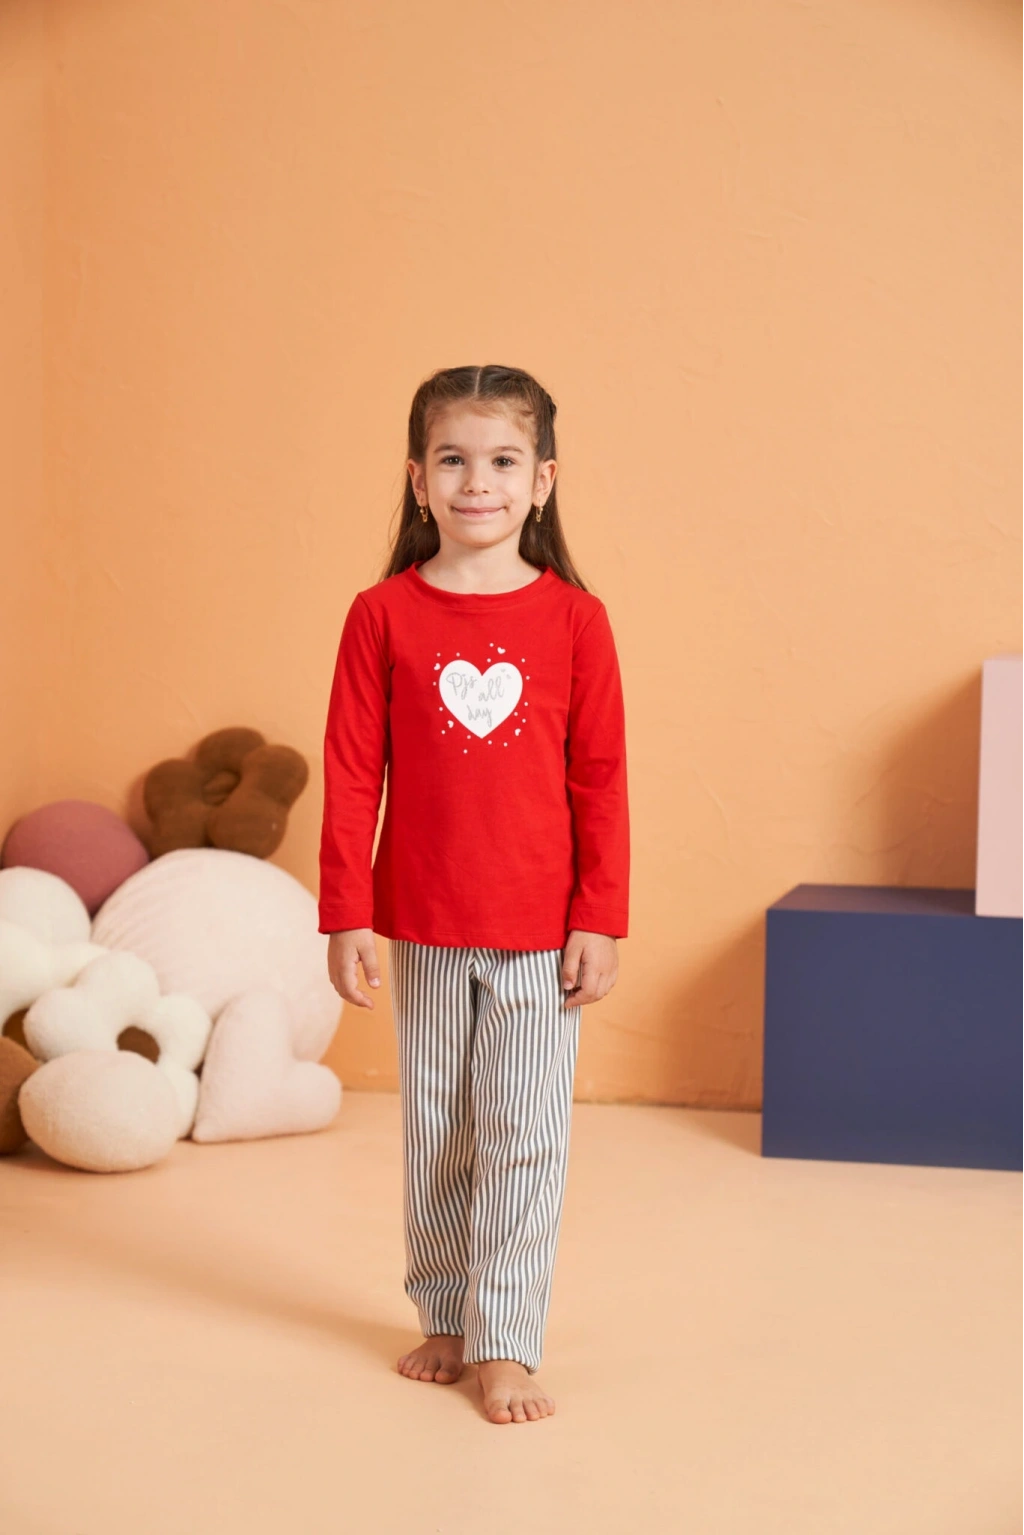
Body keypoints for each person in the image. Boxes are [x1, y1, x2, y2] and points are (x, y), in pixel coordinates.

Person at [318, 363, 629, 1425]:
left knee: (525, 1129)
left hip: (543, 931)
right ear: (418, 479)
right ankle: (445, 1312)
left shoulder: (577, 621)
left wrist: (599, 916)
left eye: (502, 460)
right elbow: (351, 771)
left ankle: (505, 1336)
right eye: (452, 459)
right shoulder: (380, 615)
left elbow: (601, 779)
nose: (477, 481)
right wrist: (345, 912)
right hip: (426, 920)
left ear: (542, 480)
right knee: (438, 1126)